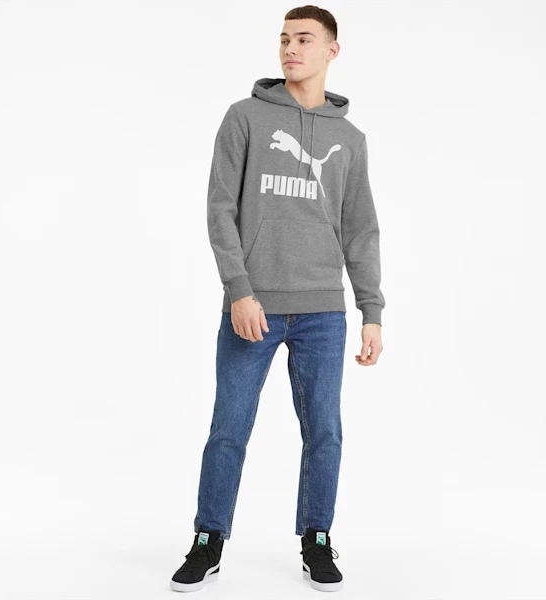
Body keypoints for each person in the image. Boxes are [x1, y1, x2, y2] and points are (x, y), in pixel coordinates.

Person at [170, 5, 385, 593]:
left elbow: (360, 229)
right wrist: (239, 291)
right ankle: (208, 538)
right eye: (285, 39)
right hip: (253, 308)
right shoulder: (244, 117)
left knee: (324, 432)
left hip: (324, 312)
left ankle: (317, 537)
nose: (290, 48)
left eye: (304, 39)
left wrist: (371, 311)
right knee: (229, 427)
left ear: (332, 50)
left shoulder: (350, 139)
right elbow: (220, 210)